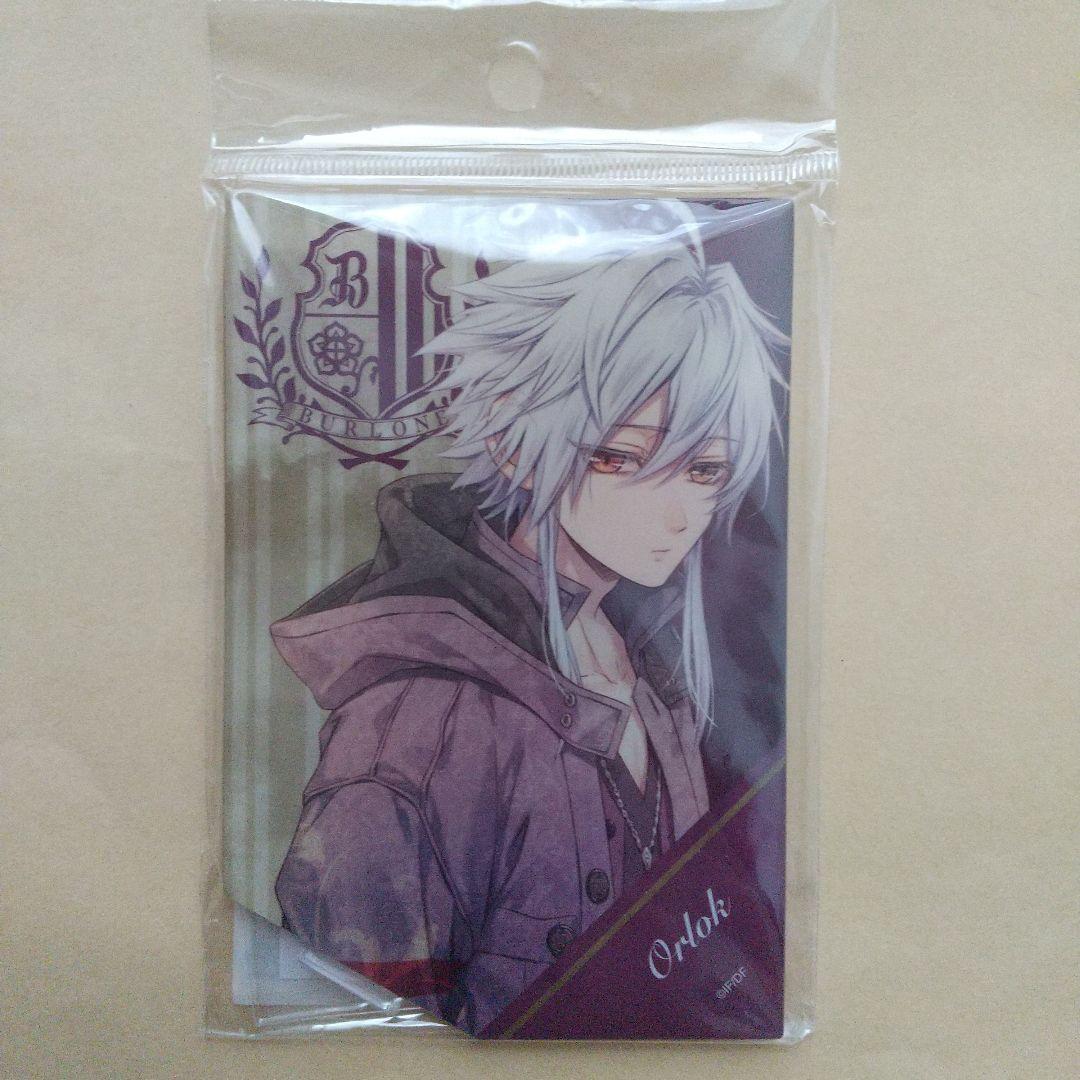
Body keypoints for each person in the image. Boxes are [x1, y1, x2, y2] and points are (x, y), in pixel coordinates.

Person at [271, 229, 788, 1035]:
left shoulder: (653, 678)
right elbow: (358, 1026)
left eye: (704, 470)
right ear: (512, 439)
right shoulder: (421, 720)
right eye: (622, 457)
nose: (677, 511)